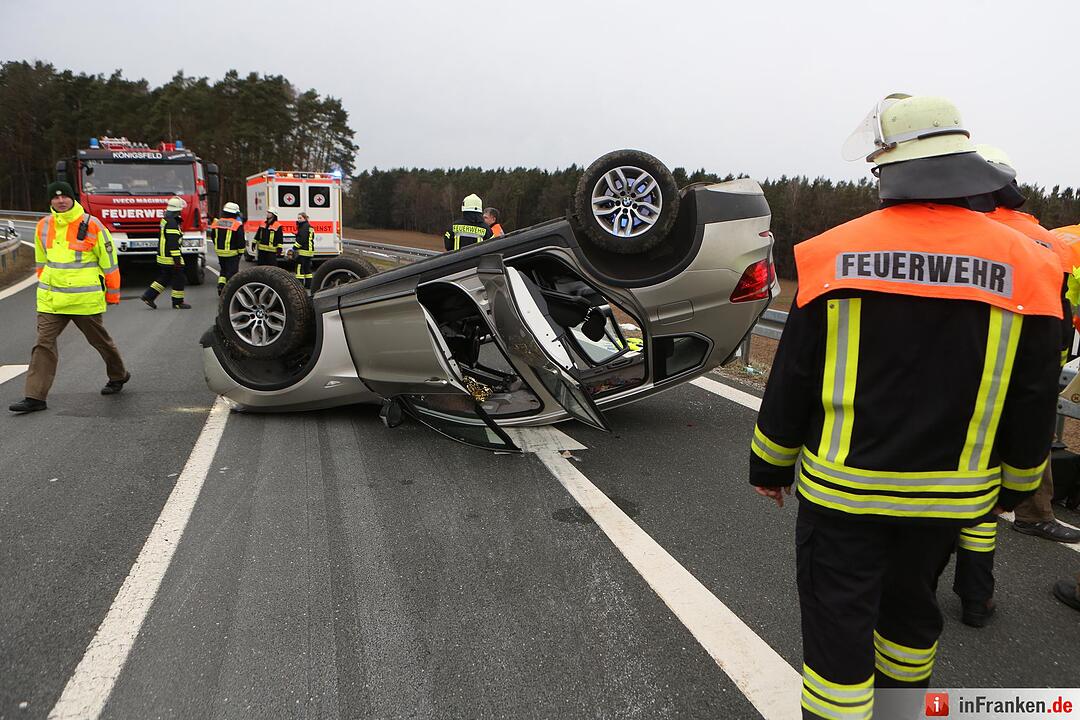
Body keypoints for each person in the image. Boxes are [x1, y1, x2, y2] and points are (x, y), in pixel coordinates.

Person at [750, 94, 1063, 719]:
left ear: (890, 166)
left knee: (839, 632)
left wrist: (769, 465)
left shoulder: (830, 253)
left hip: (845, 496)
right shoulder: (1032, 263)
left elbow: (794, 376)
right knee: (911, 616)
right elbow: (1034, 395)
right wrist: (1020, 484)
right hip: (951, 497)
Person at [9, 181, 129, 413]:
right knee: (43, 345)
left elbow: (109, 263)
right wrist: (47, 286)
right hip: (52, 300)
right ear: (50, 201)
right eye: (55, 197)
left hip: (84, 300)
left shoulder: (92, 225)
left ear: (73, 199)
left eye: (64, 196)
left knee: (100, 341)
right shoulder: (43, 226)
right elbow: (42, 262)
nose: (60, 200)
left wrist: (113, 294)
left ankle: (118, 375)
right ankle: (35, 397)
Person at [141, 196, 190, 309]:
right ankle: (177, 302)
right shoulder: (172, 223)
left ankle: (148, 296)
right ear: (177, 210)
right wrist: (177, 260)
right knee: (179, 278)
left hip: (163, 256)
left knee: (165, 277)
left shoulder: (165, 220)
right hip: (170, 257)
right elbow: (173, 242)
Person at [210, 201, 245, 295]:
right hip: (232, 253)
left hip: (220, 252)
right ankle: (230, 292)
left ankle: (221, 287)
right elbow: (240, 240)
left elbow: (213, 236)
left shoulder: (216, 223)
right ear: (235, 213)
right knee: (232, 273)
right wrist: (240, 252)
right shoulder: (237, 224)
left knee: (223, 271)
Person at [292, 212, 315, 289]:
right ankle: (308, 285)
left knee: (299, 269)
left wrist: (294, 247)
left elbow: (302, 239)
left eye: (300, 218)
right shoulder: (309, 226)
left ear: (305, 218)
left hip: (303, 251)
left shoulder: (303, 227)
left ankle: (299, 286)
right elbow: (307, 237)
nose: (298, 220)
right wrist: (297, 234)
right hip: (309, 251)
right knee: (307, 269)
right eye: (298, 218)